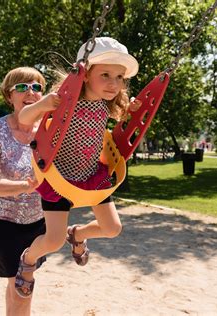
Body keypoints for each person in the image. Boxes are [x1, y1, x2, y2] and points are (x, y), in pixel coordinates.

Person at [16, 37, 141, 295]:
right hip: (57, 177)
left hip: (90, 176)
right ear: (84, 74)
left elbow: (123, 116)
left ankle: (79, 234)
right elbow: (24, 118)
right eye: (105, 74)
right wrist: (41, 104)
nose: (113, 83)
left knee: (112, 228)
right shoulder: (63, 99)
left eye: (119, 77)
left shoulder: (107, 103)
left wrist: (133, 109)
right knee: (52, 240)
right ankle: (28, 259)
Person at [0, 67, 57, 315]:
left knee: (17, 282)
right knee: (24, 287)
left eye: (37, 87)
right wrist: (27, 185)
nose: (30, 92)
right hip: (3, 222)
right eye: (22, 87)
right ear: (9, 95)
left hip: (37, 219)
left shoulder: (49, 131)